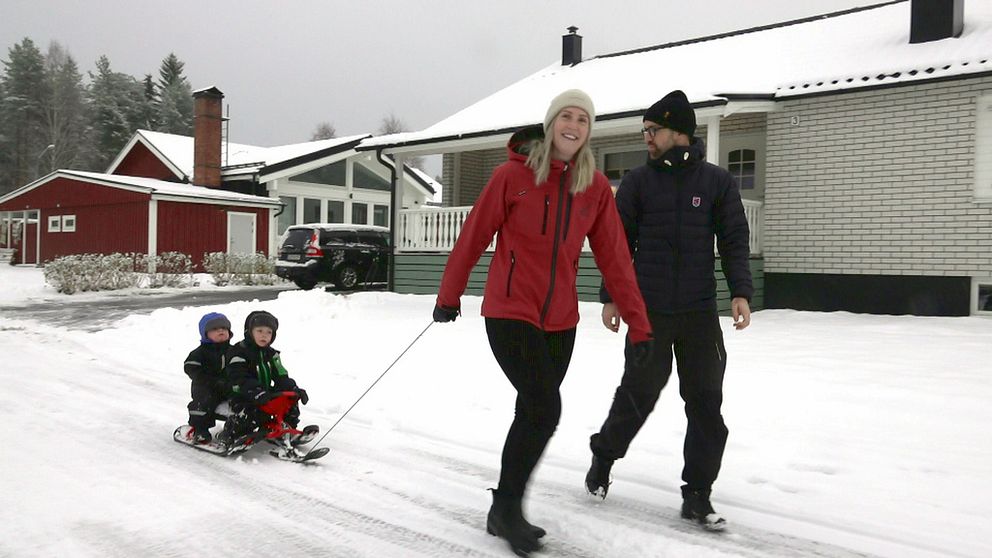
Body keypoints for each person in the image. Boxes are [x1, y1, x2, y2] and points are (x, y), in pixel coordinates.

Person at [433, 89, 653, 556]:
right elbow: (474, 235)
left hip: (561, 320)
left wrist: (640, 322)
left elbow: (615, 257)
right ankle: (508, 507)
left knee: (533, 411)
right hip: (510, 311)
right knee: (544, 406)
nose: (574, 125)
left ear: (589, 131)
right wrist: (449, 295)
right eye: (566, 116)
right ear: (552, 122)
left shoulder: (593, 187)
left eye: (583, 120)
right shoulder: (512, 175)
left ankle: (503, 508)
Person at [584, 90, 753, 531]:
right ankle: (603, 457)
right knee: (637, 395)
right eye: (644, 131)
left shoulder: (717, 182)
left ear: (678, 131)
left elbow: (734, 239)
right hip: (648, 312)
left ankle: (697, 493)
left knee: (705, 406)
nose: (646, 138)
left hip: (698, 313)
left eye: (652, 130)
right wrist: (612, 296)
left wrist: (740, 291)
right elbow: (617, 245)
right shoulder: (639, 183)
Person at [219, 310, 311, 446]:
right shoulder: (239, 352)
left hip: (264, 393)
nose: (264, 335)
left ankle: (286, 430)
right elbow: (239, 377)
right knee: (251, 413)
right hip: (242, 393)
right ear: (249, 332)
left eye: (269, 332)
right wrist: (255, 391)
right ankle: (231, 434)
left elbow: (281, 375)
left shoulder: (271, 354)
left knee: (289, 402)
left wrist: (293, 389)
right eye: (260, 331)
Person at [182, 312, 233, 444]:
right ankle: (200, 429)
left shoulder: (235, 351)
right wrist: (208, 379)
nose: (220, 331)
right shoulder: (200, 353)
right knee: (203, 403)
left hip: (229, 387)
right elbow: (190, 367)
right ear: (205, 334)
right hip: (207, 387)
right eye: (215, 329)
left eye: (224, 328)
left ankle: (235, 428)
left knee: (243, 401)